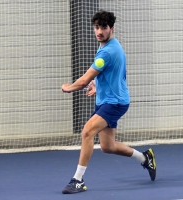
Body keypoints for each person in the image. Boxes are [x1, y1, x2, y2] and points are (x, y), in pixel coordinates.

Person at [61, 10, 156, 194]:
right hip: (107, 100)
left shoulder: (107, 52)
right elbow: (111, 74)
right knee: (107, 146)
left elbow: (83, 81)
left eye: (103, 28)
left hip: (115, 103)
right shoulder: (108, 45)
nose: (99, 32)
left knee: (87, 132)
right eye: (96, 27)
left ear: (112, 28)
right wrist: (97, 86)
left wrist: (69, 87)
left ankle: (78, 180)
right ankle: (145, 158)